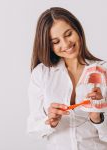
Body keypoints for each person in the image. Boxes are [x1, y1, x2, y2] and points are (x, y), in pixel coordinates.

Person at [27, 7, 107, 150]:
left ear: (78, 30)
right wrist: (49, 121)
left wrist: (97, 118)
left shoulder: (103, 71)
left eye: (68, 34)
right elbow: (33, 130)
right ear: (48, 46)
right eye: (56, 42)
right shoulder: (41, 74)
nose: (66, 44)